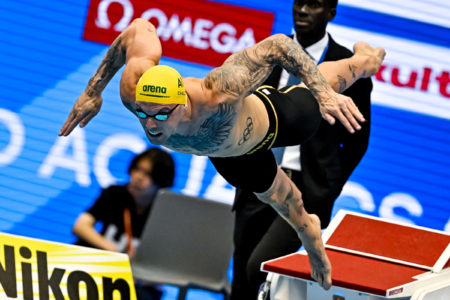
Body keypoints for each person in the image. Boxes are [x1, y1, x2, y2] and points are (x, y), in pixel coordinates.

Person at [60, 17, 385, 290]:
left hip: (274, 121)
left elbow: (278, 46)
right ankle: (308, 227)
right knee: (286, 201)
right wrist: (92, 92)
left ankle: (365, 59)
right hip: (230, 156)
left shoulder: (218, 92)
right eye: (143, 113)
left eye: (161, 115)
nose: (151, 125)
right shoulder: (133, 89)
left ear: (182, 103)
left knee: (328, 83)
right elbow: (138, 29)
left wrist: (323, 93)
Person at [231, 0, 374, 298]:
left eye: (315, 4)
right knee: (242, 274)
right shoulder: (267, 55)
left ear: (331, 13)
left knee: (260, 269)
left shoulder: (345, 64)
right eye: (299, 2)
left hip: (308, 192)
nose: (303, 10)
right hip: (259, 180)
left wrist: (327, 185)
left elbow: (357, 140)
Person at [72, 147, 175, 299]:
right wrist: (112, 252)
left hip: (138, 283)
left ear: (161, 182)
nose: (138, 177)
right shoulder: (115, 194)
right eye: (137, 169)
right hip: (103, 268)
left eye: (147, 174)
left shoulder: (167, 213)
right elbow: (80, 226)